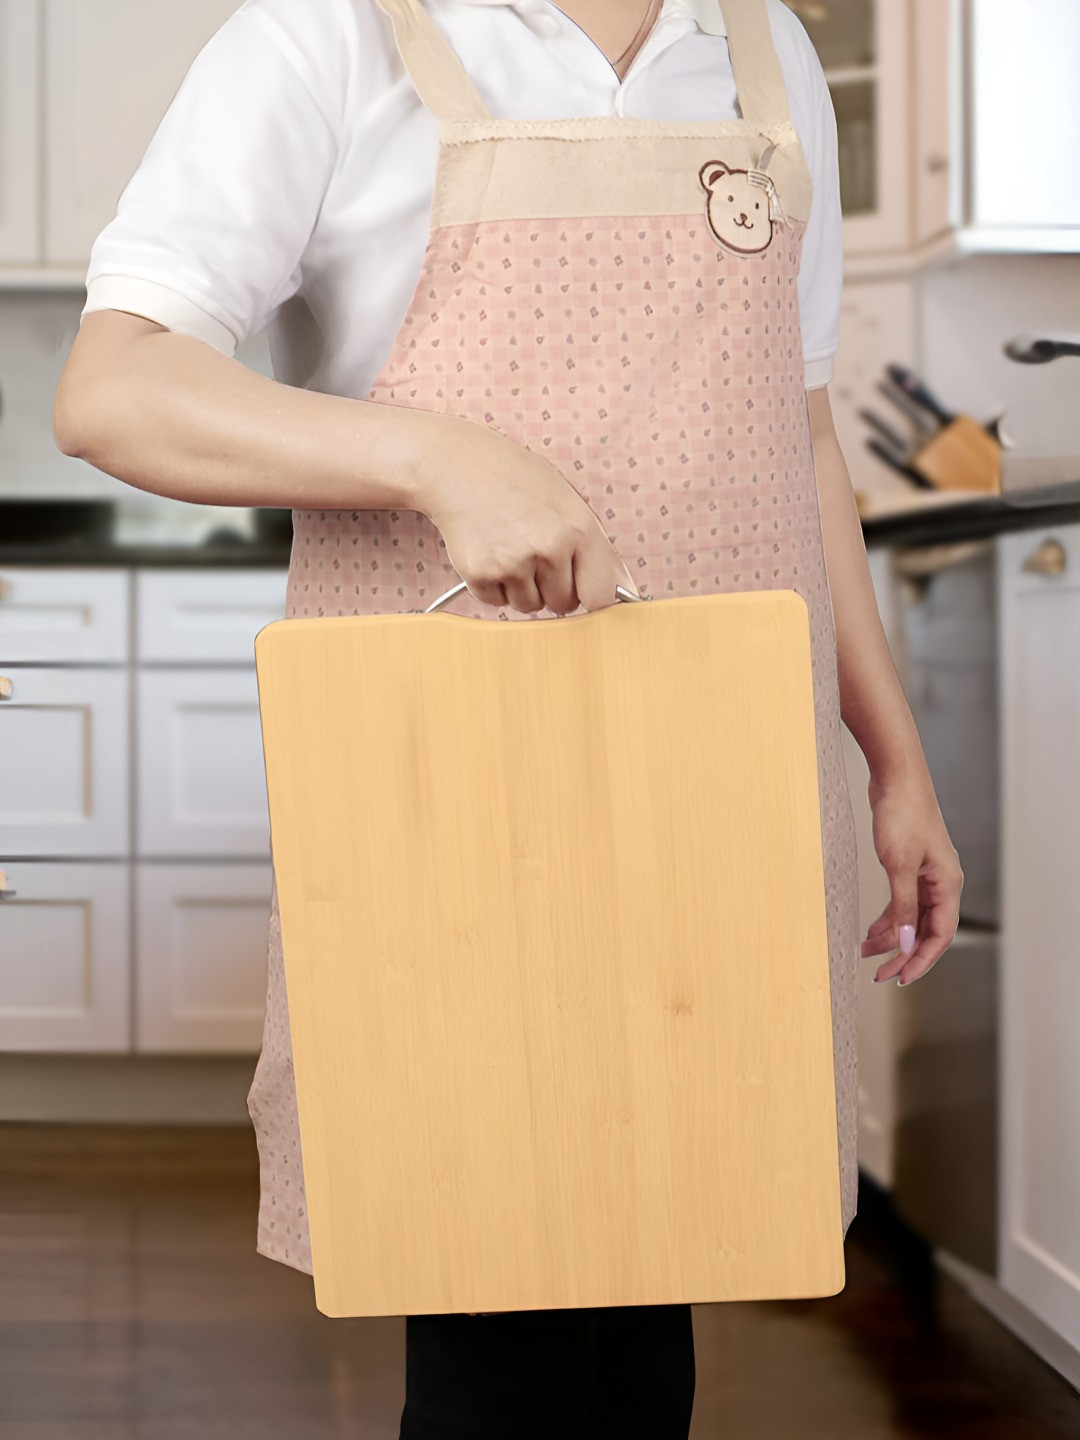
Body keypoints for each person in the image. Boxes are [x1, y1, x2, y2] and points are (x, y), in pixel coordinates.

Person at [53, 0, 964, 1435]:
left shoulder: (769, 51)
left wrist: (890, 758)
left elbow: (797, 441)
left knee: (659, 1269)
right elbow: (115, 388)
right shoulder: (327, 37)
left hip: (715, 780)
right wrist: (433, 459)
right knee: (488, 1267)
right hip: (456, 797)